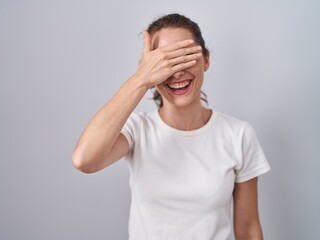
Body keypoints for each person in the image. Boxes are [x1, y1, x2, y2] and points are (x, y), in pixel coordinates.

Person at [72, 13, 271, 240]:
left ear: (206, 60)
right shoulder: (138, 130)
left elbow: (248, 229)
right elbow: (84, 160)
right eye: (165, 62)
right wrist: (140, 79)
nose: (176, 72)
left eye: (185, 57)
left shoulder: (238, 135)